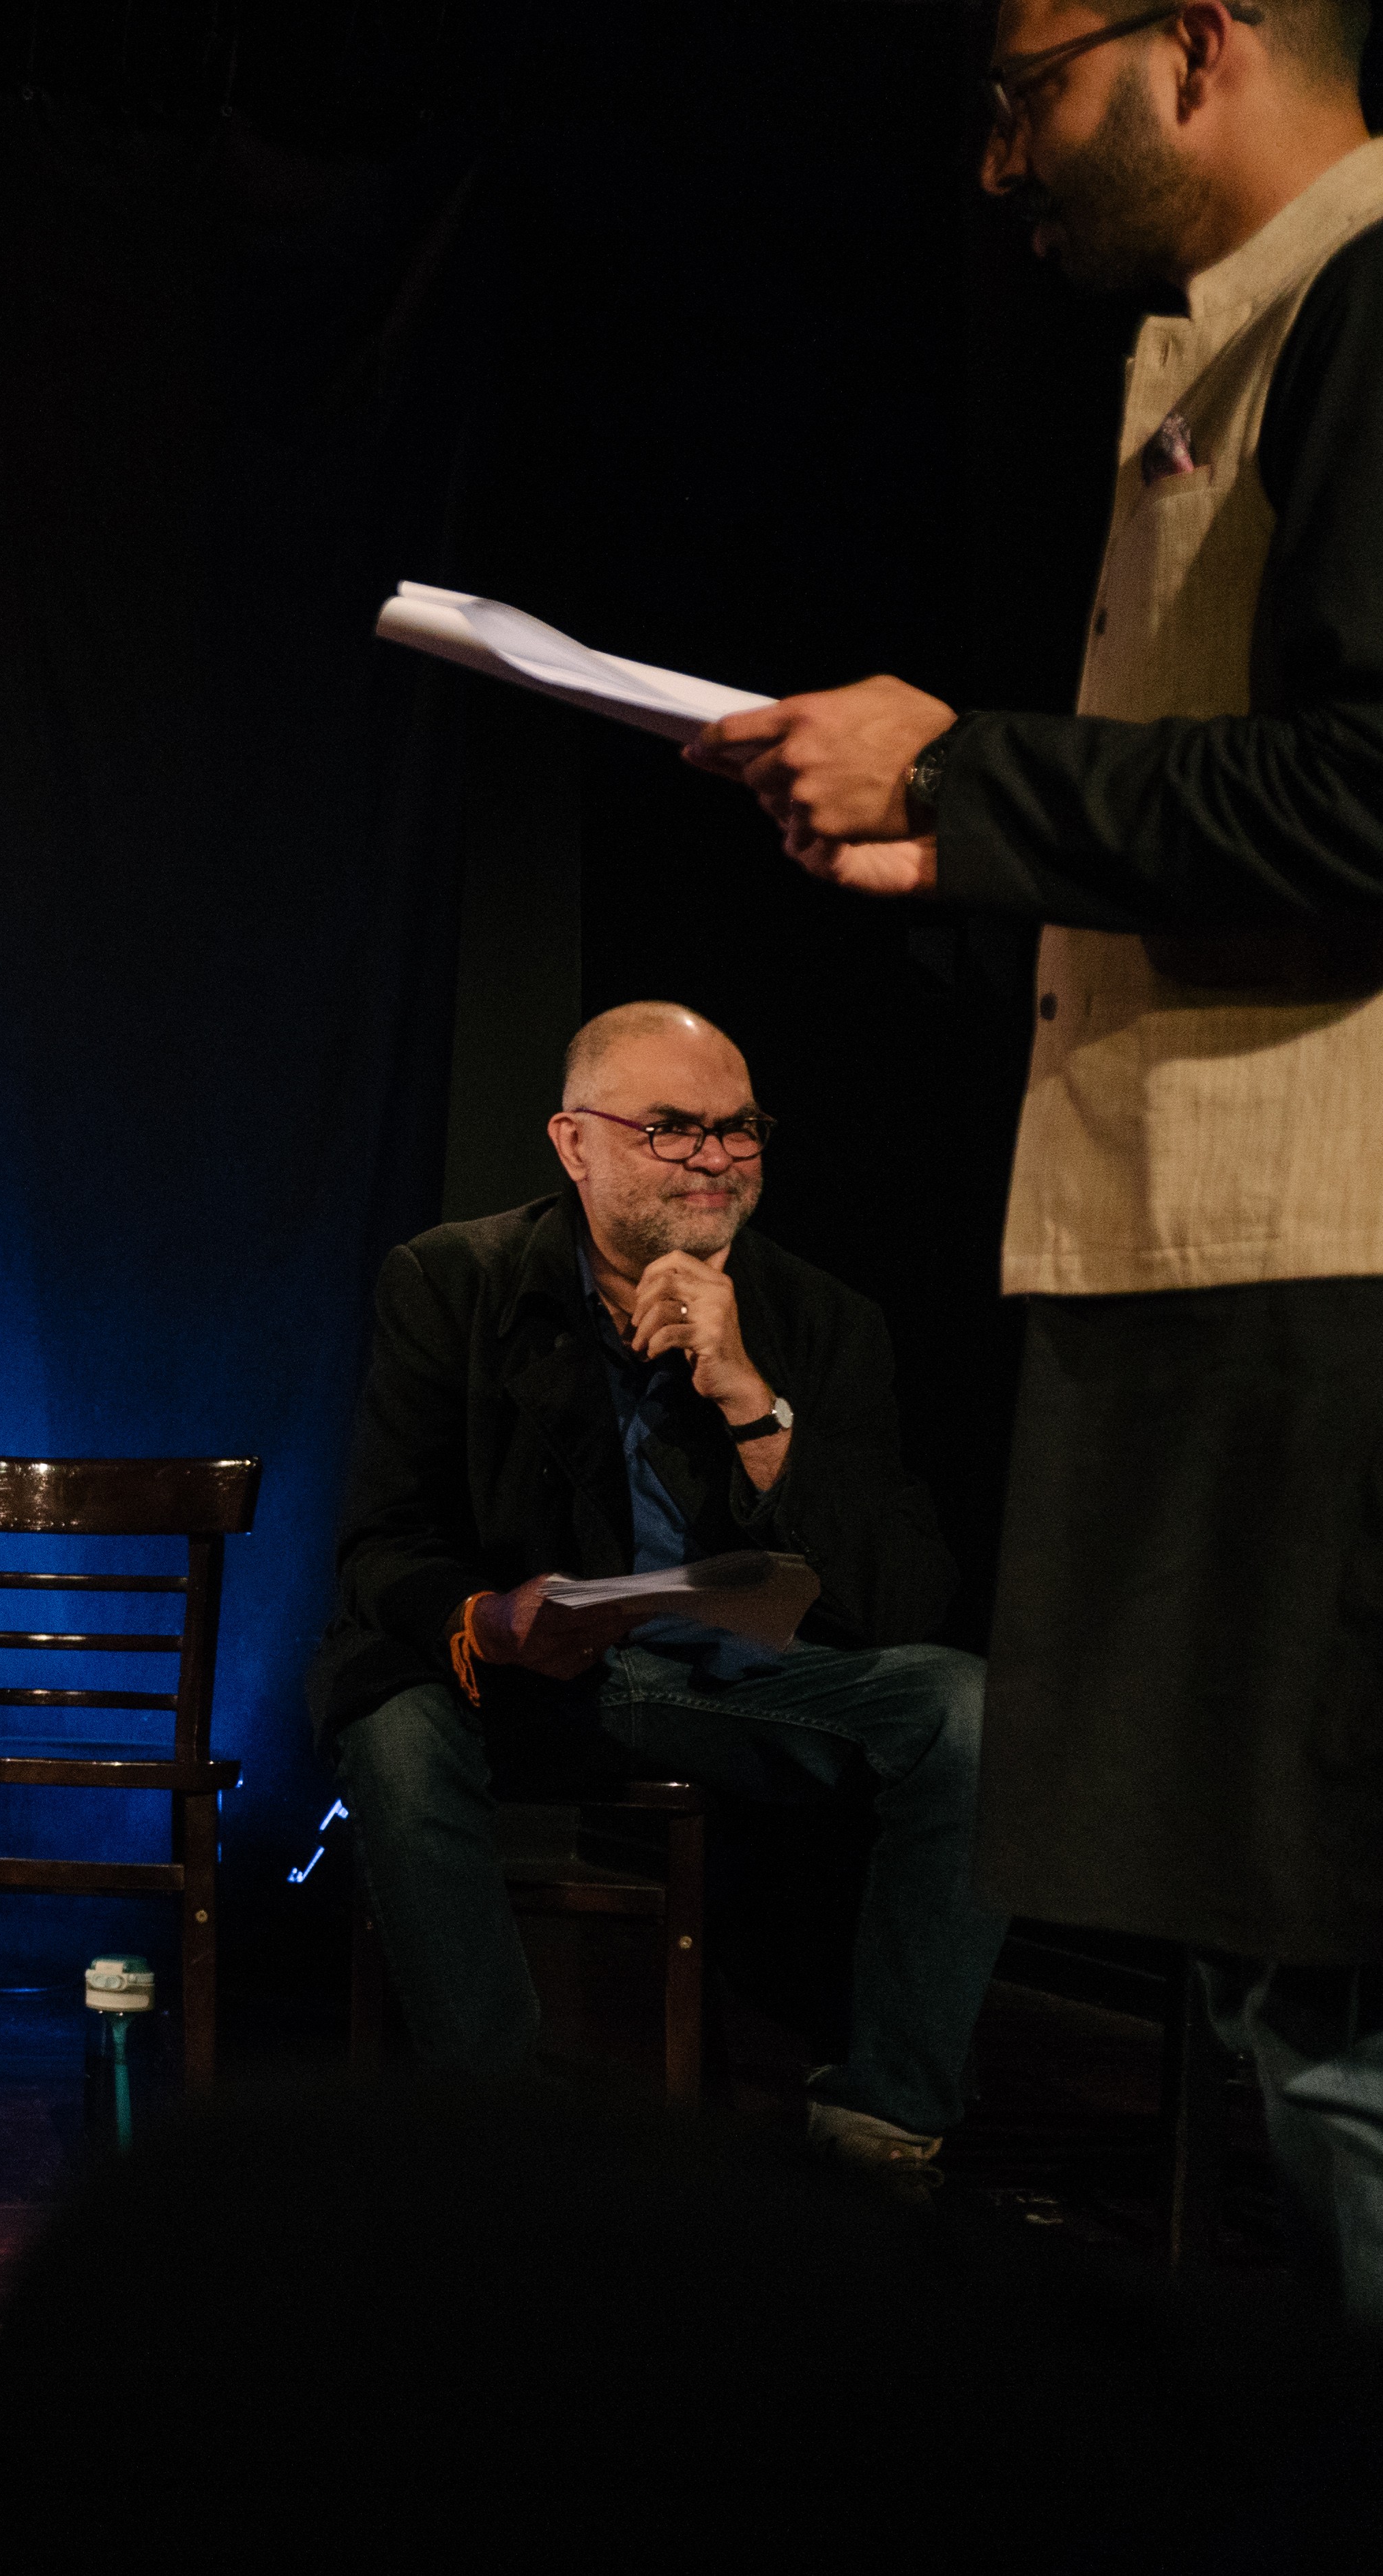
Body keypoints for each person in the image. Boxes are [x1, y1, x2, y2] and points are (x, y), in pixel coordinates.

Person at [685, 0, 1383, 2315]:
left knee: (1328, 1994)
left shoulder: (1368, 299)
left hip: (1323, 1265)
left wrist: (972, 779)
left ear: (1195, 45)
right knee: (1287, 1982)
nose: (1000, 164)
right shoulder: (1238, 335)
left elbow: (1370, 795)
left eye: (1023, 91)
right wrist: (948, 858)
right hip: (1222, 1249)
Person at [317, 1004, 1006, 2180]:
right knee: (390, 1724)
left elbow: (902, 1598)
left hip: (735, 1685)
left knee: (973, 1710)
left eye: (738, 1130)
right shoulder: (455, 1281)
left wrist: (751, 1399)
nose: (716, 1159)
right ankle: (501, 2129)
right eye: (673, 1129)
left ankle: (883, 2126)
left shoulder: (824, 1319)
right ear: (573, 1143)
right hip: (531, 1682)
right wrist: (487, 1618)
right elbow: (384, 1544)